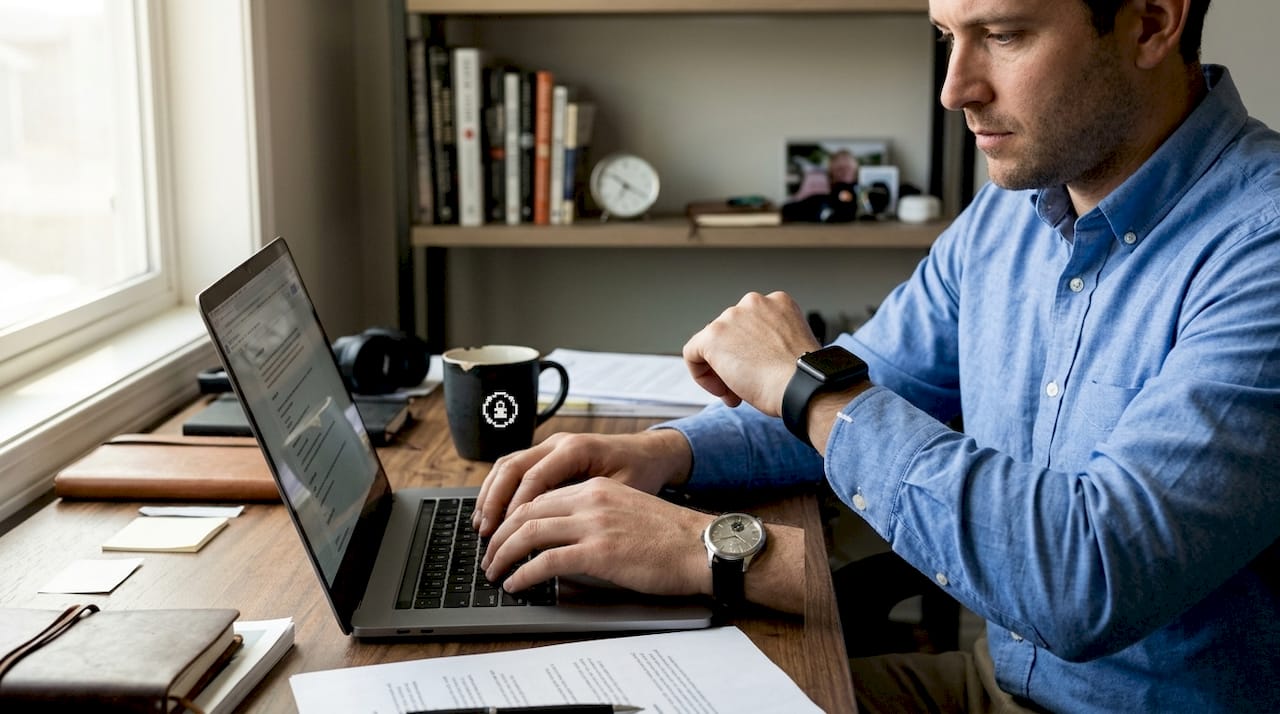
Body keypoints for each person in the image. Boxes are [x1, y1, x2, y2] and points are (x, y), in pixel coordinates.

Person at [473, 0, 1280, 710]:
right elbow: (869, 383)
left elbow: (1084, 579)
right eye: (946, 35)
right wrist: (660, 454)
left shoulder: (1261, 246)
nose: (955, 87)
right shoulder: (1007, 220)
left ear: (1150, 23)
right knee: (614, 694)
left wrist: (788, 419)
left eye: (1002, 35)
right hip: (990, 685)